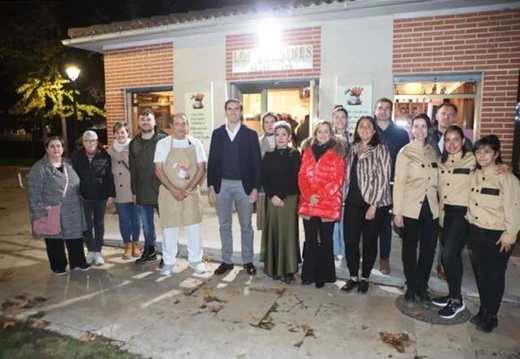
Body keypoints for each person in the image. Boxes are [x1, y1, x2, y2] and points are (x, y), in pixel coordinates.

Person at [466, 135, 520, 333]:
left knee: (494, 276)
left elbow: (515, 209)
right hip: (477, 231)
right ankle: (483, 310)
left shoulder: (507, 179)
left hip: (497, 235)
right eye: (478, 151)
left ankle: (492, 315)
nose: (481, 155)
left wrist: (509, 235)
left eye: (486, 151)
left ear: (496, 154)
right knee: (481, 275)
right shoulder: (474, 175)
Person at [207, 99, 262, 276]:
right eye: (229, 109)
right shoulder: (217, 134)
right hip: (222, 185)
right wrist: (211, 187)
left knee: (246, 225)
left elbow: (256, 163)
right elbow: (213, 161)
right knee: (224, 225)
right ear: (225, 111)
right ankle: (227, 261)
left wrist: (255, 188)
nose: (233, 112)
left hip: (243, 186)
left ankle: (248, 261)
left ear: (241, 111)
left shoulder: (250, 134)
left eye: (236, 109)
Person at [429, 125, 475, 318]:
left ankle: (457, 300)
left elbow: (493, 168)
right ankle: (452, 294)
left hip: (463, 215)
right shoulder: (441, 162)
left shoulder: (473, 160)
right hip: (444, 214)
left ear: (463, 141)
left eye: (456, 140)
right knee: (449, 257)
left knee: (449, 254)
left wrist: (506, 167)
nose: (452, 144)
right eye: (448, 140)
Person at [341, 116, 391, 293]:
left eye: (368, 126)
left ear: (374, 130)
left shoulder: (381, 150)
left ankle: (365, 277)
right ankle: (353, 276)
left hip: (374, 204)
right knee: (351, 240)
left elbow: (383, 179)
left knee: (369, 242)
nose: (364, 129)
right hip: (353, 202)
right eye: (361, 126)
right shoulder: (352, 148)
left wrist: (374, 204)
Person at [393, 114, 439, 303]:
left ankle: (422, 284)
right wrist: (397, 212)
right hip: (410, 207)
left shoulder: (432, 151)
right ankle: (411, 285)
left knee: (429, 248)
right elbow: (399, 183)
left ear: (428, 130)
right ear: (411, 129)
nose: (420, 130)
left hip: (431, 207)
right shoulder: (404, 152)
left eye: (423, 127)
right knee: (410, 248)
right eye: (416, 126)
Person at [154, 113, 207, 276]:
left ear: (188, 125)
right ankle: (169, 262)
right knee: (170, 227)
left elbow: (201, 169)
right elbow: (159, 170)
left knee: (193, 227)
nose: (181, 127)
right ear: (171, 126)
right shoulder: (163, 144)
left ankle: (195, 261)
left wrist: (188, 189)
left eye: (184, 124)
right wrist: (173, 189)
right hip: (169, 192)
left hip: (190, 193)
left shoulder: (196, 143)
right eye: (177, 124)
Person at [27, 136, 89, 275]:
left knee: (75, 237)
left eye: (59, 146)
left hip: (72, 208)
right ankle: (58, 265)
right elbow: (33, 194)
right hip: (52, 210)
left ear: (63, 148)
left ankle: (78, 261)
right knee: (54, 238)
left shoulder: (69, 164)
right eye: (52, 146)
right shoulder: (39, 169)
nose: (56, 149)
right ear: (47, 149)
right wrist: (40, 214)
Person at [298, 120, 346, 288]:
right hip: (309, 203)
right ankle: (308, 273)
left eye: (326, 131)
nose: (323, 134)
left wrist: (319, 195)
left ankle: (323, 275)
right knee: (310, 240)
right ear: (315, 133)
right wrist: (308, 194)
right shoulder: (307, 151)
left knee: (325, 241)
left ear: (331, 133)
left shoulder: (337, 152)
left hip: (327, 203)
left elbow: (338, 179)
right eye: (320, 131)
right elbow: (302, 174)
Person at [427, 102, 472, 280]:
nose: (446, 117)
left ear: (455, 117)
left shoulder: (465, 141)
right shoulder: (427, 136)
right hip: (433, 192)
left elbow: (481, 163)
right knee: (437, 234)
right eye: (443, 113)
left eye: (450, 114)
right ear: (437, 116)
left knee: (450, 243)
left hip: (456, 197)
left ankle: (443, 265)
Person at [260, 121, 301, 283]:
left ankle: (289, 270)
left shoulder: (294, 154)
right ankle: (274, 268)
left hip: (289, 199)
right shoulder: (269, 155)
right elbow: (264, 178)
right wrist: (272, 196)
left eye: (284, 134)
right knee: (274, 231)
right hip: (272, 199)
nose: (280, 138)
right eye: (277, 135)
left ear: (289, 136)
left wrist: (281, 197)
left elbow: (295, 178)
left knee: (288, 233)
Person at [375, 98, 410, 275]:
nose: (383, 111)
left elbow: (405, 161)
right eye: (380, 108)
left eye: (387, 108)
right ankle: (366, 255)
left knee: (385, 224)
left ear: (391, 111)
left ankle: (384, 258)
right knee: (367, 222)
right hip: (370, 186)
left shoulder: (401, 134)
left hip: (391, 185)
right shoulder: (368, 130)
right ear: (375, 111)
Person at [71, 130, 115, 266]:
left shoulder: (104, 155)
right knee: (87, 225)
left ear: (97, 142)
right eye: (88, 141)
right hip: (84, 197)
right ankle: (90, 251)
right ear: (83, 142)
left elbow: (109, 176)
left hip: (101, 196)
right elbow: (73, 177)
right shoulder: (76, 156)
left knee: (99, 224)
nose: (91, 143)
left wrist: (111, 194)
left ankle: (98, 251)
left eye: (94, 140)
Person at [129, 108, 167, 264]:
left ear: (154, 121)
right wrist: (133, 190)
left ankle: (168, 254)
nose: (145, 122)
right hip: (142, 189)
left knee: (167, 223)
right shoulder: (134, 143)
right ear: (139, 122)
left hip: (162, 188)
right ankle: (150, 250)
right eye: (142, 119)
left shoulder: (163, 139)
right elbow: (132, 168)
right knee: (146, 224)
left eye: (148, 119)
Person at [107, 122, 141, 259]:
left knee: (135, 219)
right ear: (114, 134)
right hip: (118, 190)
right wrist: (109, 193)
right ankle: (127, 245)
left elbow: (139, 170)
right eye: (117, 132)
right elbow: (107, 173)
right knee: (123, 220)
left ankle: (136, 244)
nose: (120, 135)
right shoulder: (109, 152)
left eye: (123, 132)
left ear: (128, 133)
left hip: (133, 190)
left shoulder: (135, 148)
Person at [331, 105, 350, 268]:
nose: (340, 120)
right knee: (332, 219)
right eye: (336, 117)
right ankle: (333, 250)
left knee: (345, 219)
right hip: (330, 185)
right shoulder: (327, 139)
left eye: (343, 117)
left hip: (348, 183)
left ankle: (344, 251)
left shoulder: (353, 139)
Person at [257, 112, 278, 231]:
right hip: (265, 187)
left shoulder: (284, 139)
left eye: (272, 121)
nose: (270, 125)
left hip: (281, 188)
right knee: (266, 224)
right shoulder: (258, 141)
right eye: (266, 122)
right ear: (263, 124)